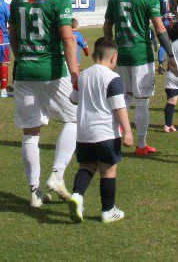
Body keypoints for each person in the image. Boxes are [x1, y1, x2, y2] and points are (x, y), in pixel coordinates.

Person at [8, 0, 80, 207]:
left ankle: (34, 192)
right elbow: (68, 37)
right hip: (50, 70)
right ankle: (58, 175)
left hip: (24, 70)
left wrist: (22, 58)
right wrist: (74, 71)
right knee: (73, 119)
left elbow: (13, 36)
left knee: (30, 133)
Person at [104, 0, 178, 155]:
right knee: (142, 100)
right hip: (140, 55)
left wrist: (112, 50)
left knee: (125, 95)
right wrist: (170, 55)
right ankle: (141, 144)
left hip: (120, 53)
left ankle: (116, 132)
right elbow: (160, 28)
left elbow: (107, 26)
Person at [67, 36, 132, 223]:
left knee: (86, 167)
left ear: (95, 55)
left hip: (84, 134)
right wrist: (127, 131)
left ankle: (77, 196)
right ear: (114, 58)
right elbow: (119, 106)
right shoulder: (113, 78)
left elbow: (73, 98)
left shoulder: (83, 75)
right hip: (105, 134)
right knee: (108, 171)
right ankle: (108, 210)